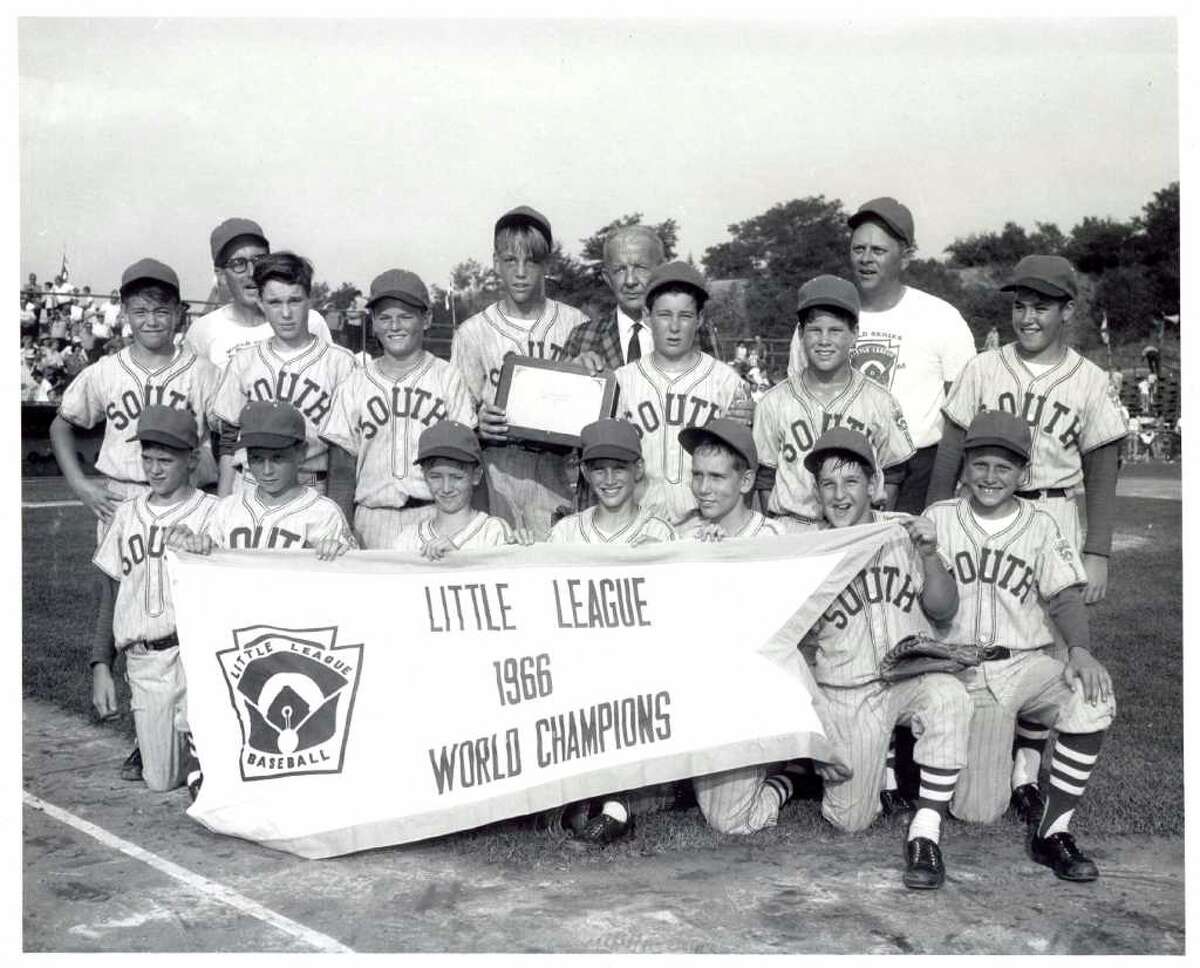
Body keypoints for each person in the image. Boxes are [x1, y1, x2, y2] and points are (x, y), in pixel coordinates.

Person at [926, 255, 1125, 819]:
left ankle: (1027, 769)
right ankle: (949, 750)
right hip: (978, 509)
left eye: (1041, 306)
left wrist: (1099, 549)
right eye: (1019, 305)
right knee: (969, 626)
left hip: (1053, 510)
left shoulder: (1088, 379)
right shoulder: (984, 368)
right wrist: (932, 517)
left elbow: (1103, 466)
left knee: (1051, 650)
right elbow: (949, 451)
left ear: (1067, 311)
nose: (1028, 317)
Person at [50, 258, 221, 783]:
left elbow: (224, 438)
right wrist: (80, 485)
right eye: (140, 309)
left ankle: (191, 732)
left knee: (185, 613)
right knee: (128, 607)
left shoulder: (202, 372)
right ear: (124, 313)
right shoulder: (104, 371)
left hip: (186, 498)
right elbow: (63, 423)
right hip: (123, 497)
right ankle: (143, 736)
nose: (151, 319)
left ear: (179, 315)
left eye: (162, 309)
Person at [928, 411, 1115, 881]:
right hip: (961, 669)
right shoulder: (939, 518)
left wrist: (1080, 651)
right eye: (981, 465)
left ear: (1023, 473)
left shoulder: (1041, 525)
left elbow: (1065, 597)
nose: (991, 477)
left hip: (1024, 665)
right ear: (966, 466)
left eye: (1004, 468)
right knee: (976, 811)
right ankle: (1003, 767)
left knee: (1093, 696)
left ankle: (1053, 831)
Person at [799, 427, 968, 889]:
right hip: (848, 689)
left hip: (911, 679)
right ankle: (802, 776)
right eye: (828, 484)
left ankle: (926, 830)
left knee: (950, 696)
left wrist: (931, 554)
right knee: (849, 819)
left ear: (873, 484)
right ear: (816, 492)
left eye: (851, 482)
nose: (839, 495)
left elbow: (944, 608)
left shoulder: (905, 530)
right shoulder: (804, 547)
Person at [786, 197, 976, 513]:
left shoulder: (941, 318)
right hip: (835, 469)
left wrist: (942, 494)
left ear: (906, 256)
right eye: (858, 249)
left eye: (878, 250)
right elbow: (795, 399)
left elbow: (963, 416)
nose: (866, 259)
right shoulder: (821, 317)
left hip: (917, 470)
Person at [543, 418, 676, 846]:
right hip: (581, 666)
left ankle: (621, 801)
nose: (609, 479)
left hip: (641, 671)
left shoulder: (661, 533)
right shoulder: (566, 532)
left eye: (619, 468)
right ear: (584, 471)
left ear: (638, 470)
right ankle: (601, 801)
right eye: (598, 468)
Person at [91, 406, 219, 794]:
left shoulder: (215, 514)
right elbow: (109, 593)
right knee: (161, 780)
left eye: (166, 459)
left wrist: (207, 549)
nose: (154, 469)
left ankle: (203, 759)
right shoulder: (126, 514)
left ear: (192, 458)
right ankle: (169, 748)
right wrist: (100, 666)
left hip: (197, 657)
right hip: (145, 659)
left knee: (208, 774)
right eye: (147, 458)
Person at [450, 205, 589, 537]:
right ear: (496, 262)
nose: (521, 272)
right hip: (497, 468)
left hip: (558, 470)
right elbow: (456, 418)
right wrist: (476, 426)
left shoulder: (575, 323)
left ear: (547, 265)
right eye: (511, 261)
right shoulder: (472, 332)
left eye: (532, 261)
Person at [322, 269, 475, 548]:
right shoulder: (355, 383)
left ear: (426, 319)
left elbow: (469, 459)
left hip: (435, 514)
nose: (395, 326)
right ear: (374, 323)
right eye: (385, 317)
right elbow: (342, 470)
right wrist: (340, 528)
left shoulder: (447, 377)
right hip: (371, 518)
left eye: (405, 316)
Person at [755, 274, 914, 528]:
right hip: (793, 525)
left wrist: (872, 526)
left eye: (836, 331)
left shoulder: (879, 401)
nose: (824, 341)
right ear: (801, 334)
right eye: (815, 330)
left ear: (854, 334)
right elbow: (764, 477)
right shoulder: (773, 402)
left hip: (857, 526)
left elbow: (894, 473)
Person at [211, 252, 357, 497]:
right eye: (275, 302)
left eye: (295, 301)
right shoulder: (244, 360)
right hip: (249, 484)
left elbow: (342, 455)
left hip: (310, 484)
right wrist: (223, 503)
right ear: (260, 302)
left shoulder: (340, 363)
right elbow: (228, 442)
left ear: (310, 300)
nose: (286, 313)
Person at [615, 261, 749, 524]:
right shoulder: (622, 381)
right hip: (635, 525)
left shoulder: (727, 382)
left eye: (685, 316)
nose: (674, 327)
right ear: (646, 315)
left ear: (699, 319)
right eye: (664, 315)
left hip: (706, 525)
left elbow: (743, 471)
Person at [186, 217, 333, 370]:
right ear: (221, 275)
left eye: (258, 260)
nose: (251, 272)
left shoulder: (309, 321)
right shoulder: (202, 331)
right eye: (238, 264)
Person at [390, 420, 524, 557]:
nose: (446, 488)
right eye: (436, 477)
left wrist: (458, 560)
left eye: (457, 477)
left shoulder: (493, 532)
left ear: (476, 476)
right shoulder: (407, 540)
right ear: (424, 475)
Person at [566, 224, 664, 373]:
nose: (630, 281)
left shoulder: (695, 334)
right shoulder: (582, 337)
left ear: (661, 271)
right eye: (620, 269)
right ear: (608, 278)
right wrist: (571, 375)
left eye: (640, 268)